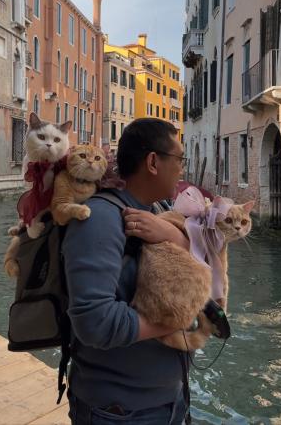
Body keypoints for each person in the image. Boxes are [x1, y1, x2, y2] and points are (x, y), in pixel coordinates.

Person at [62, 118, 190, 424]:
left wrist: (176, 237)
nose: (183, 169)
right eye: (179, 159)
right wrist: (178, 320)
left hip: (166, 403)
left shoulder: (157, 213)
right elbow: (95, 321)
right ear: (153, 162)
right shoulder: (100, 219)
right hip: (119, 412)